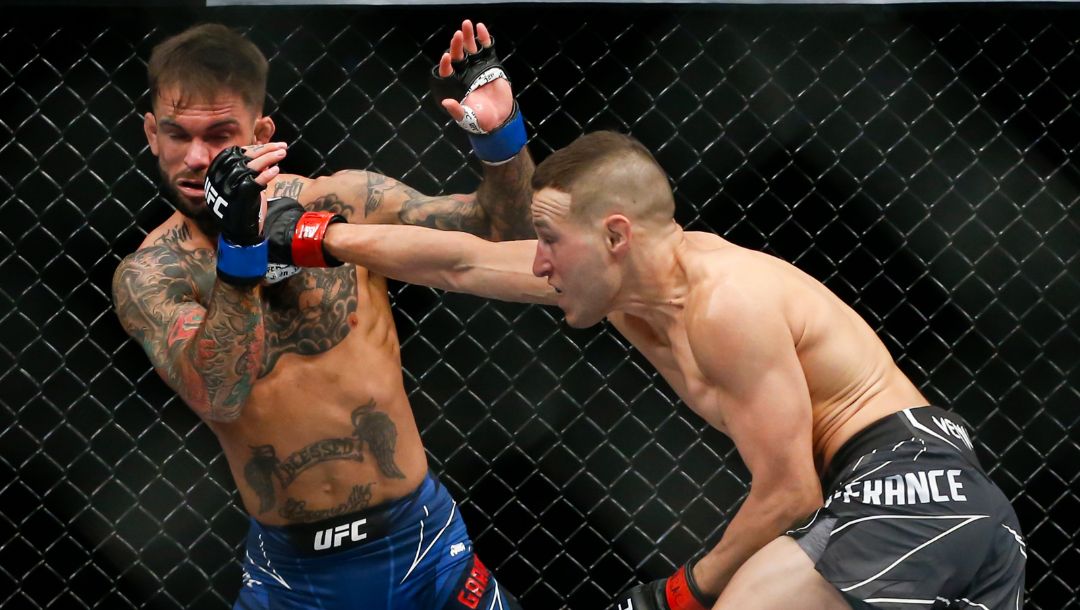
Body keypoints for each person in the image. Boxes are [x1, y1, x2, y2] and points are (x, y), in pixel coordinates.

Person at [256, 131, 1028, 609]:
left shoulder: (725, 304)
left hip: (907, 490)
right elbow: (460, 262)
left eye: (552, 241)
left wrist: (681, 591)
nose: (540, 261)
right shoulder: (621, 292)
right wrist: (318, 237)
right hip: (930, 505)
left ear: (616, 235)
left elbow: (791, 492)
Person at [111, 20, 533, 609]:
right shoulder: (154, 274)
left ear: (261, 134)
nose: (197, 157)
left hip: (425, 548)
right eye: (177, 134)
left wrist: (499, 139)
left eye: (220, 134)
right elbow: (219, 395)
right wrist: (241, 249)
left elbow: (503, 237)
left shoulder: (344, 203)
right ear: (152, 134)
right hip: (292, 582)